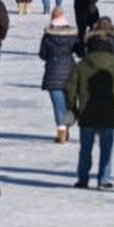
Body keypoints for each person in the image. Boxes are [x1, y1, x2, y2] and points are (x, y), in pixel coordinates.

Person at [67, 26, 114, 189]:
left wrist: (72, 107)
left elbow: (70, 86)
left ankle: (83, 179)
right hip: (109, 112)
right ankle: (103, 179)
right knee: (106, 148)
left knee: (85, 149)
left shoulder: (83, 65)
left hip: (86, 112)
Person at [38, 8, 82, 143]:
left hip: (52, 74)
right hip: (70, 73)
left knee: (58, 105)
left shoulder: (47, 36)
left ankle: (61, 131)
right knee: (70, 104)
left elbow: (42, 54)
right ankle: (67, 124)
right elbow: (80, 51)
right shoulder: (72, 35)